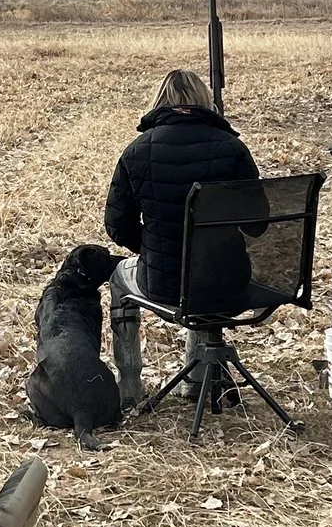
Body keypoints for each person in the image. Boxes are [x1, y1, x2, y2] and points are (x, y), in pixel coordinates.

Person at [103, 69, 259, 405]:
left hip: (165, 284)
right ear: (205, 101)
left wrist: (152, 250)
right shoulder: (232, 148)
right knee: (204, 271)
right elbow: (258, 224)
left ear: (160, 102)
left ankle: (129, 385)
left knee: (119, 278)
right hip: (230, 283)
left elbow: (117, 226)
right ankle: (197, 380)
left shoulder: (136, 151)